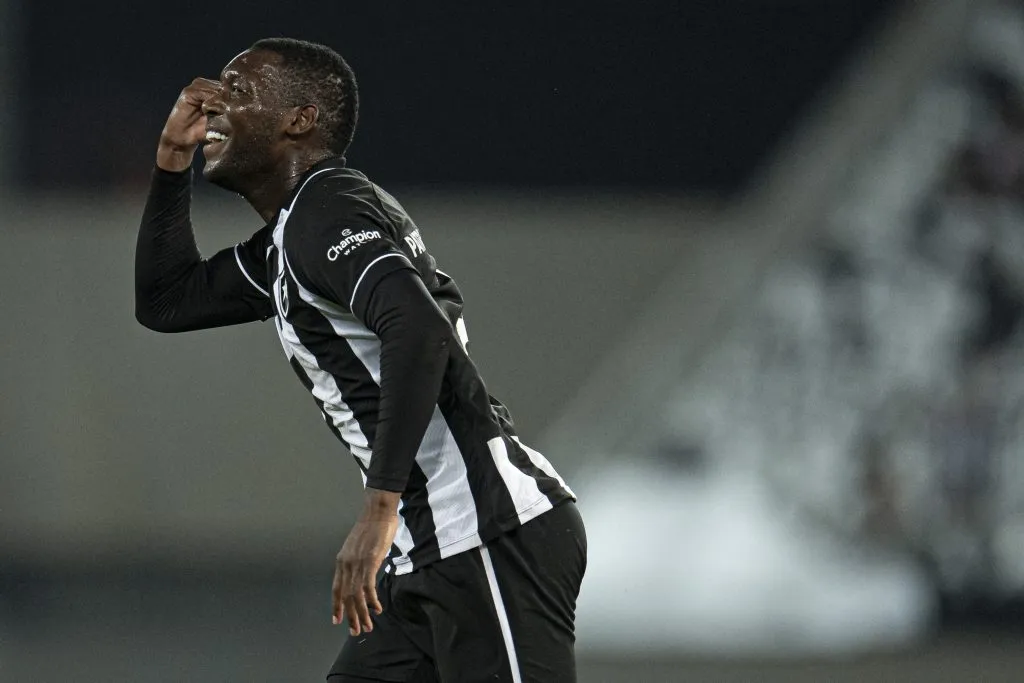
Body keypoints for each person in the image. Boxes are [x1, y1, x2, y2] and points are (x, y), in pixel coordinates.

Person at [134, 38, 586, 682]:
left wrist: (379, 509)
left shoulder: (326, 207)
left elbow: (418, 332)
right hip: (429, 549)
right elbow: (166, 301)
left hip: (484, 530)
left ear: (299, 119)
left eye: (239, 88)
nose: (213, 104)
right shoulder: (293, 235)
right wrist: (171, 160)